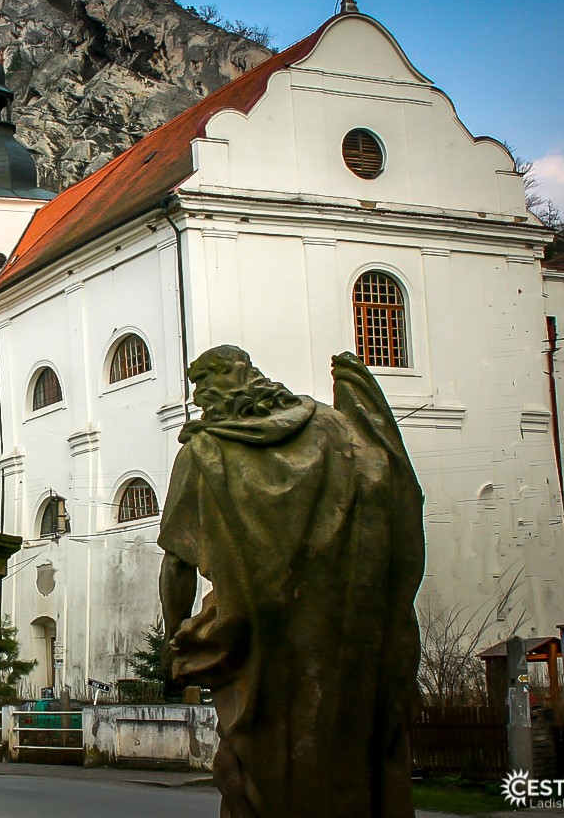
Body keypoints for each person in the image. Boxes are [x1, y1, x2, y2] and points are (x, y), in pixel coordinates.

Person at [158, 347, 424, 818]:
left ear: (218, 386)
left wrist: (172, 635)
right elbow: (388, 489)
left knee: (259, 767)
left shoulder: (204, 451)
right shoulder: (335, 428)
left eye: (202, 386)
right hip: (346, 634)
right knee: (347, 751)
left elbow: (177, 562)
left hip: (259, 646)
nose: (199, 397)